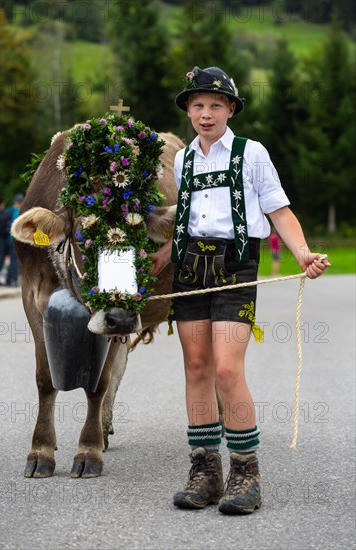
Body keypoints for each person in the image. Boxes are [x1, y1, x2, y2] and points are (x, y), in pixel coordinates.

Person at [151, 66, 330, 515]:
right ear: (188, 111)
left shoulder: (252, 154)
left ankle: (245, 472)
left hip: (235, 268)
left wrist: (303, 253)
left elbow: (279, 212)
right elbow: (185, 223)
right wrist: (159, 260)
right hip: (190, 270)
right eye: (197, 105)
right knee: (196, 368)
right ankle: (204, 470)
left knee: (227, 370)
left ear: (230, 109)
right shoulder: (183, 160)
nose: (206, 113)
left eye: (215, 105)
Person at [0, 193, 24, 286]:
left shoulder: (8, 210)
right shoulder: (19, 211)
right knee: (14, 260)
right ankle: (12, 280)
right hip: (15, 238)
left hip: (6, 238)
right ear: (21, 202)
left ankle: (1, 277)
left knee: (5, 258)